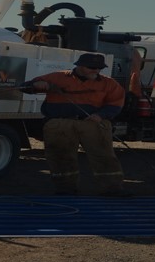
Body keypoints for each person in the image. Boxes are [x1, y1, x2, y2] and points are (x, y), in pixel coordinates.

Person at [21, 53, 131, 196]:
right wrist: (35, 85)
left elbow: (116, 103)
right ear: (79, 66)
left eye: (99, 68)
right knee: (60, 156)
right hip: (60, 123)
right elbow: (24, 87)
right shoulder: (57, 77)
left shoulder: (109, 83)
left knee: (104, 156)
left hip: (93, 123)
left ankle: (113, 188)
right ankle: (65, 188)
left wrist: (101, 115)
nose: (96, 70)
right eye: (91, 67)